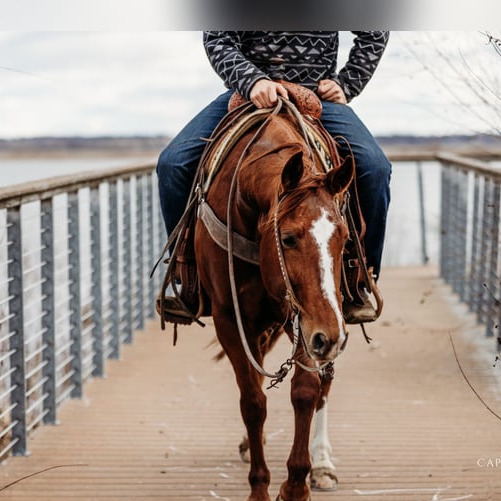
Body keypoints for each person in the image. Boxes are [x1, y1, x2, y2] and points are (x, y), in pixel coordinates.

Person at [157, 31, 391, 323]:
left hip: (315, 97)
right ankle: (188, 278)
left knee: (375, 167)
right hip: (248, 94)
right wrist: (252, 80)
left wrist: (348, 83)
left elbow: (375, 30)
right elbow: (218, 38)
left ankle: (359, 279)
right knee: (173, 164)